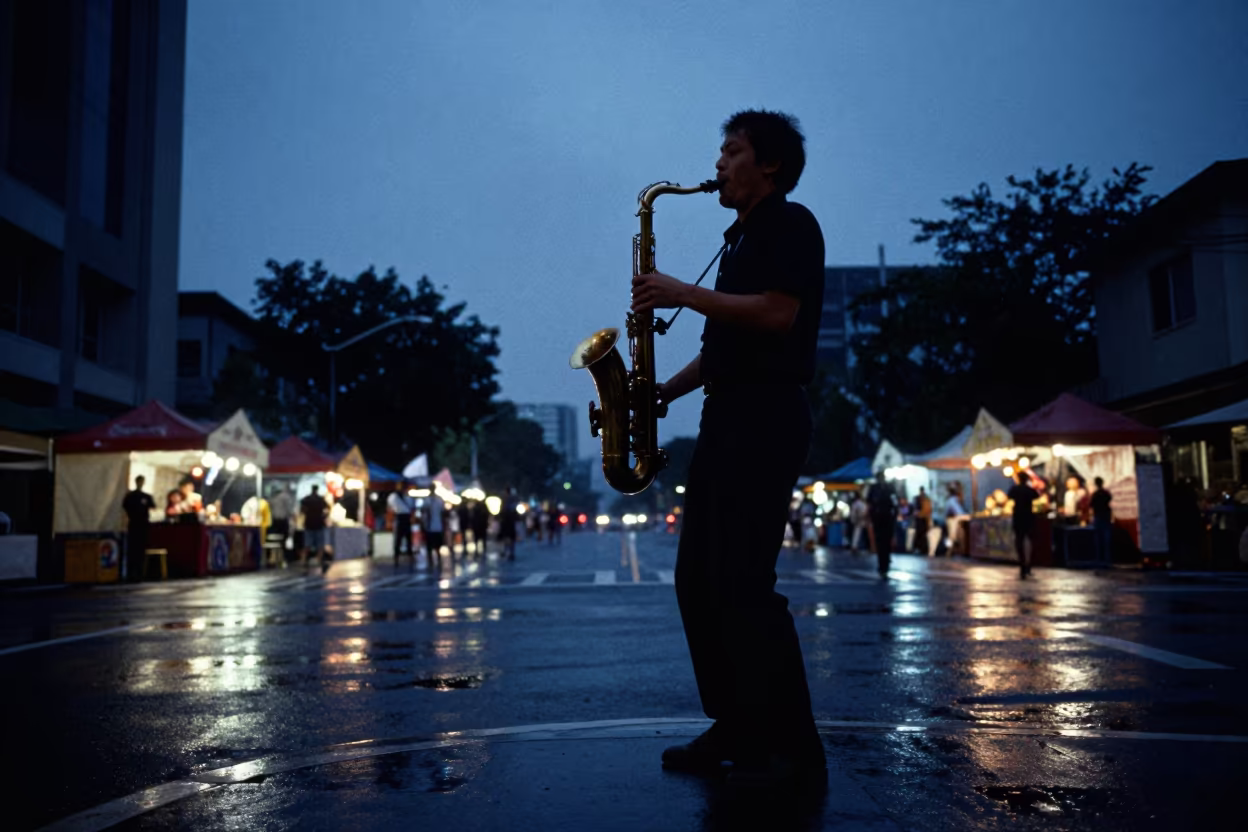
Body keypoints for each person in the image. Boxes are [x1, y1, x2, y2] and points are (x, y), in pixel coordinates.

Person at [630, 110, 826, 786]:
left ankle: (794, 744)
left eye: (732, 150)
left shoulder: (790, 225)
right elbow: (718, 354)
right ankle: (737, 722)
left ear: (768, 165)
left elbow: (777, 314)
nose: (717, 163)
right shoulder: (739, 240)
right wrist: (658, 396)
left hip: (767, 414)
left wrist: (682, 292)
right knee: (699, 580)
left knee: (744, 583)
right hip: (727, 414)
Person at [121, 476, 156, 582]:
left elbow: (153, 506)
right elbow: (125, 507)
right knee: (133, 550)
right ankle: (132, 573)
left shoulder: (146, 496)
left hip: (142, 525)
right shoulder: (131, 496)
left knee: (140, 550)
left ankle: (139, 573)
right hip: (135, 524)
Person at [1007, 470, 1040, 579]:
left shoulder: (1014, 489)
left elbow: (1009, 497)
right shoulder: (1030, 490)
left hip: (1018, 518)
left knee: (1019, 541)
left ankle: (1022, 564)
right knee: (1030, 541)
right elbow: (1037, 496)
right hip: (1028, 517)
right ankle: (1028, 565)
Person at [866, 473, 897, 578]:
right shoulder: (875, 488)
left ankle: (885, 563)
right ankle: (882, 564)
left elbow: (894, 502)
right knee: (881, 542)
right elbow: (870, 503)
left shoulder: (888, 487)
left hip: (886, 517)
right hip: (879, 518)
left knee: (885, 541)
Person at [300, 484, 330, 574]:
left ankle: (304, 561)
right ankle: (319, 561)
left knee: (307, 544)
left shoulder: (307, 499)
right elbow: (328, 508)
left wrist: (306, 514)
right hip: (319, 524)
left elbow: (302, 509)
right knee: (320, 544)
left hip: (309, 524)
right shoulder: (321, 499)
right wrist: (324, 516)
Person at [388, 484, 415, 561]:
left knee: (402, 539)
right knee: (401, 539)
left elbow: (390, 507)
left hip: (402, 518)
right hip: (401, 517)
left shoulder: (394, 497)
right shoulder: (396, 497)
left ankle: (398, 556)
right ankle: (398, 556)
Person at [1090, 476, 1113, 564]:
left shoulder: (1095, 494)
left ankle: (1099, 558)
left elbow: (1091, 505)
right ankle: (1107, 558)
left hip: (1099, 516)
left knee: (1098, 538)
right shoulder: (1106, 493)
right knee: (1106, 538)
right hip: (1105, 516)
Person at [269, 484, 294, 549]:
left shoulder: (273, 497)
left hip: (274, 520)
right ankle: (283, 554)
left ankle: (275, 553)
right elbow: (289, 509)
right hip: (282, 520)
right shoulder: (285, 497)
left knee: (276, 538)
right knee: (284, 538)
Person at [423, 498, 446, 567]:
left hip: (437, 527)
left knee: (437, 546)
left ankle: (438, 559)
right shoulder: (427, 501)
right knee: (430, 546)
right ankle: (430, 560)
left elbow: (442, 514)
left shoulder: (439, 501)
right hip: (430, 527)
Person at [499, 487, 519, 560]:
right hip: (509, 521)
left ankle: (508, 551)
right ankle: (510, 552)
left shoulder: (506, 499)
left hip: (507, 520)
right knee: (510, 538)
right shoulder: (512, 499)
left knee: (506, 537)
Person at [913, 487, 933, 554]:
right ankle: (920, 548)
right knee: (920, 534)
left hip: (923, 518)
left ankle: (923, 548)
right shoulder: (920, 498)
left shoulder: (925, 499)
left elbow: (928, 509)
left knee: (923, 534)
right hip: (921, 518)